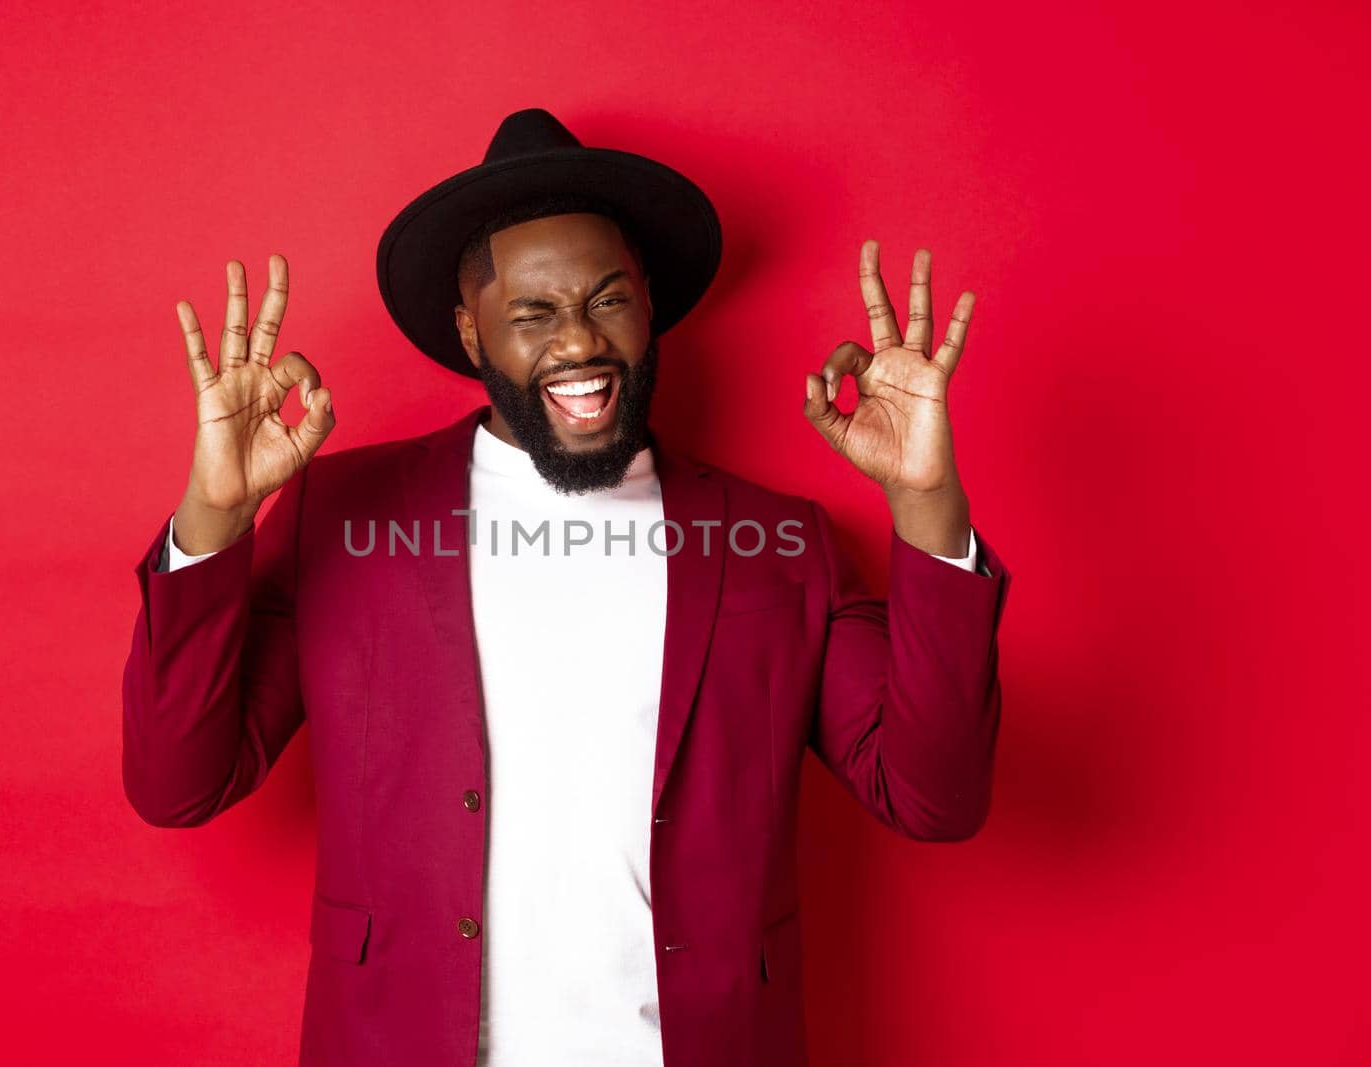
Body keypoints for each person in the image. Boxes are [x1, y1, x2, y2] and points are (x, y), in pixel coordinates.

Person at [122, 107, 1011, 1067]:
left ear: (650, 305)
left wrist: (926, 500)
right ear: (472, 333)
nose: (578, 343)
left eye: (607, 300)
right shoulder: (345, 515)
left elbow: (936, 796)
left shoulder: (779, 544)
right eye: (533, 313)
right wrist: (212, 516)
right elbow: (180, 783)